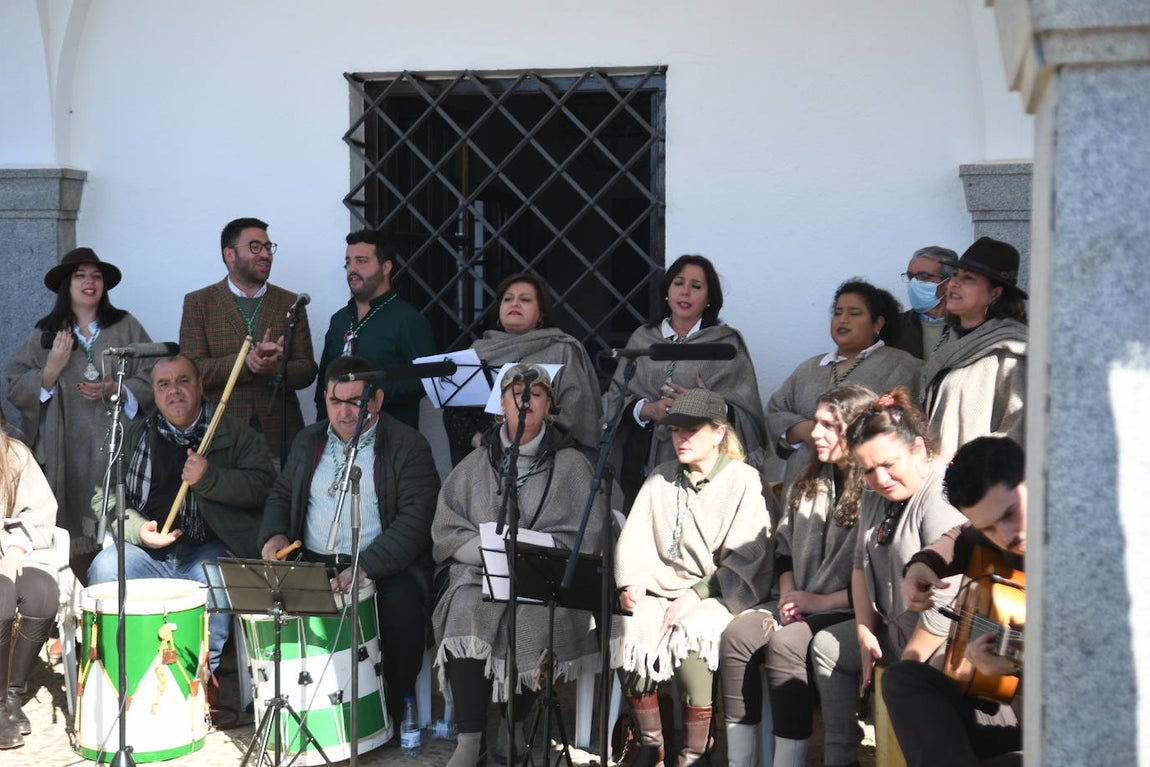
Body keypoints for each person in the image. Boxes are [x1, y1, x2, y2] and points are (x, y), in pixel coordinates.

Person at [432, 365, 605, 766]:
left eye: (536, 395)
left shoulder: (572, 464)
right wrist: (484, 550)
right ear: (501, 404)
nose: (524, 402)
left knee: (530, 615)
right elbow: (445, 525)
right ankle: (470, 739)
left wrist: (536, 554)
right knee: (465, 609)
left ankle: (516, 724)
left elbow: (590, 531)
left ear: (549, 407)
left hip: (543, 575)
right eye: (515, 394)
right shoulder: (476, 463)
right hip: (480, 571)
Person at [260, 354, 440, 729]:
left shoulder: (408, 445)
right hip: (314, 559)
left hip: (385, 564)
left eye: (355, 402)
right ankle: (302, 716)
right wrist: (275, 533)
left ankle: (388, 714)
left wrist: (366, 566)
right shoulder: (309, 440)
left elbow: (415, 522)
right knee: (273, 608)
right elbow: (282, 492)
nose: (344, 413)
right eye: (334, 401)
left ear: (376, 401)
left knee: (403, 610)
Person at [86, 355, 276, 680]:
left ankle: (201, 683)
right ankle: (122, 677)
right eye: (164, 384)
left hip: (208, 548)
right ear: (155, 394)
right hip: (147, 552)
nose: (174, 390)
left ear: (200, 386)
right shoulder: (136, 436)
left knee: (216, 579)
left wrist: (210, 478)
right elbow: (105, 497)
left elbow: (265, 487)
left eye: (183, 380)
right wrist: (137, 531)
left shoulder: (232, 433)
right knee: (104, 568)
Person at [613, 388, 773, 767]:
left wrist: (698, 593)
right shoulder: (661, 476)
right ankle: (652, 743)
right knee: (631, 630)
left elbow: (751, 553)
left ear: (719, 432)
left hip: (720, 590)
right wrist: (631, 580)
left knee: (693, 632)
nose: (680, 438)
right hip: (659, 585)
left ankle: (696, 751)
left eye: (692, 430)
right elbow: (635, 537)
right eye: (674, 430)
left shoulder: (744, 480)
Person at [718, 385, 876, 766]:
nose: (815, 433)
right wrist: (789, 595)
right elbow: (784, 548)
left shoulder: (875, 488)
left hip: (848, 605)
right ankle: (742, 761)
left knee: (787, 644)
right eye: (815, 423)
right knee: (737, 635)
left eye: (828, 426)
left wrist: (819, 602)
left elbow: (875, 572)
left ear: (856, 430)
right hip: (800, 595)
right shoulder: (811, 478)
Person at [809, 387, 966, 767]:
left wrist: (906, 667)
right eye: (868, 469)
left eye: (889, 464)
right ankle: (840, 759)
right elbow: (860, 566)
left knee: (909, 690)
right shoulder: (874, 494)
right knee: (828, 646)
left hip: (942, 646)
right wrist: (864, 630)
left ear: (918, 449)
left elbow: (942, 606)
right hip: (891, 631)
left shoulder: (940, 496)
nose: (879, 478)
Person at [6, 248, 155, 576]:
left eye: (96, 276)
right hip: (66, 447)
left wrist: (116, 389)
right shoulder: (45, 332)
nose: (90, 282)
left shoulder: (126, 327)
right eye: (81, 275)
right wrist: (52, 369)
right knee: (70, 533)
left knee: (117, 526)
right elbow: (15, 386)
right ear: (66, 284)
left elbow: (156, 376)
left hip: (116, 444)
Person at [883, 436, 1025, 767]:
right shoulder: (997, 533)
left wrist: (1022, 669)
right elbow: (960, 536)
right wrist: (922, 565)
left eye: (1011, 513)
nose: (1006, 536)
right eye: (988, 528)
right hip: (1013, 712)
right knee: (903, 678)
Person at [603, 254, 767, 512]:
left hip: (702, 465)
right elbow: (615, 397)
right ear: (667, 291)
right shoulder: (643, 338)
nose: (686, 292)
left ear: (710, 297)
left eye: (696, 286)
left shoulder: (724, 343)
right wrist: (648, 409)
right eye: (679, 283)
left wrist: (703, 404)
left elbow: (747, 412)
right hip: (640, 459)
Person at [766, 278, 922, 498]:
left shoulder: (904, 367)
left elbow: (910, 424)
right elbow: (775, 411)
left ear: (877, 324)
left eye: (854, 313)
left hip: (865, 488)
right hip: (805, 486)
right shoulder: (809, 368)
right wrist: (805, 429)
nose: (843, 319)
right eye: (838, 312)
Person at [180, 217, 318, 466]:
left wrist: (277, 368)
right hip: (221, 436)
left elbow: (307, 370)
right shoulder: (199, 303)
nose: (265, 254)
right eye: (255, 247)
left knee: (281, 505)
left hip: (280, 437)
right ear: (229, 254)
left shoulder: (291, 302)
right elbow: (193, 370)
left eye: (268, 247)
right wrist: (246, 363)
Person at [441, 272, 603, 465]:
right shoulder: (478, 351)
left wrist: (527, 435)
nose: (514, 304)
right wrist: (483, 443)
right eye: (508, 299)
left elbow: (574, 414)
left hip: (545, 461)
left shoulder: (562, 350)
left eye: (525, 299)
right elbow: (455, 413)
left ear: (541, 313)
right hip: (483, 460)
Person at [314, 230, 436, 429]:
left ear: (386, 267)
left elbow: (424, 380)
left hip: (390, 439)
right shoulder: (339, 320)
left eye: (361, 261)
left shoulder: (409, 320)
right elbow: (324, 384)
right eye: (348, 262)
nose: (352, 269)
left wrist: (367, 390)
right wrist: (321, 432)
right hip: (337, 437)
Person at [920, 237, 1028, 459]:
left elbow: (1019, 426)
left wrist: (975, 469)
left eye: (968, 279)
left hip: (980, 482)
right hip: (935, 476)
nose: (953, 284)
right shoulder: (952, 341)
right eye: (955, 276)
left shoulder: (1011, 350)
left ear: (995, 293)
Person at [0, 425, 62, 749]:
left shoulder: (13, 454)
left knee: (42, 592)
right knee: (2, 594)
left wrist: (14, 550)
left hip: (7, 553)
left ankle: (11, 694)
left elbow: (39, 511)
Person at [890, 246, 959, 361]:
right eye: (910, 276)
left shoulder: (967, 326)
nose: (914, 283)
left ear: (949, 282)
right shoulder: (895, 326)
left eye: (923, 276)